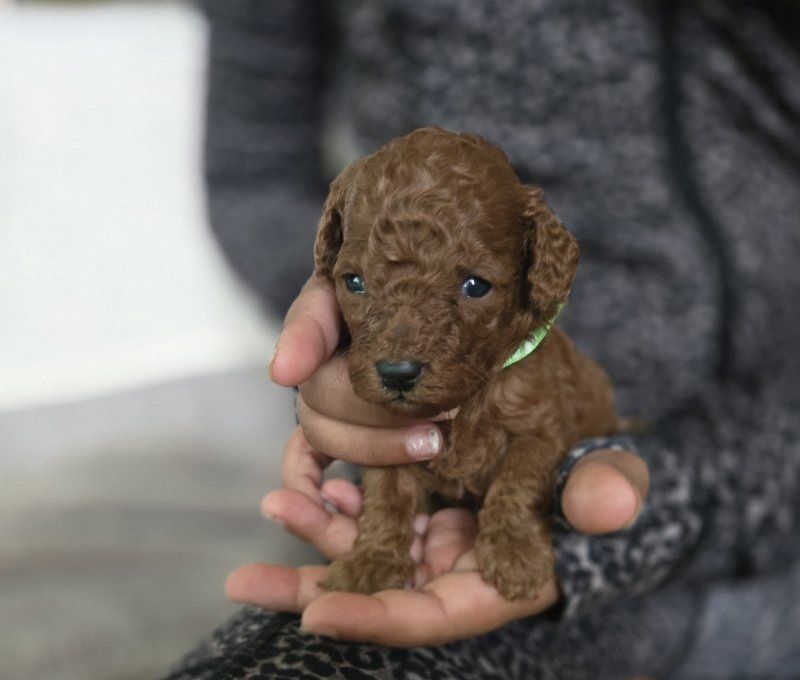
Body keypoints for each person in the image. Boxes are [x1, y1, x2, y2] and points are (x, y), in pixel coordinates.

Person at [166, 1, 800, 677]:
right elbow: (254, 173)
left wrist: (677, 489)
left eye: (475, 286)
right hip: (472, 538)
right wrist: (348, 313)